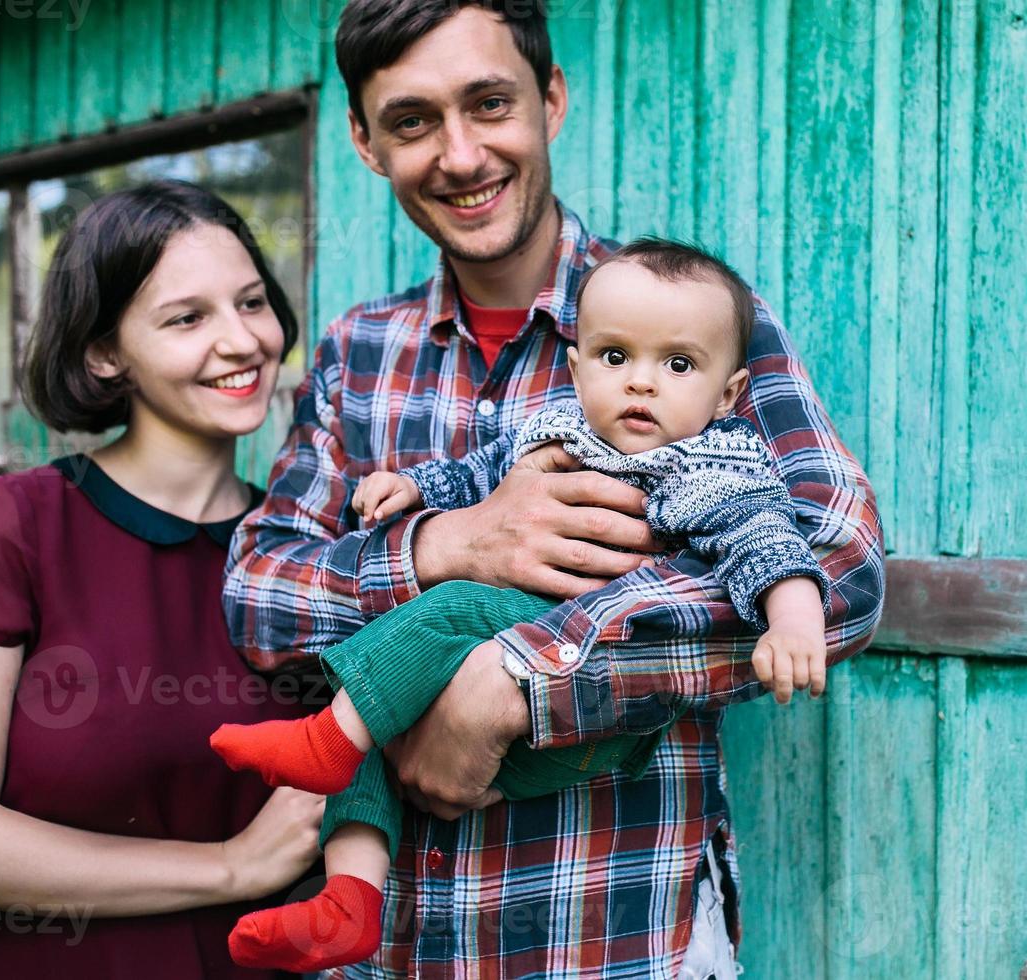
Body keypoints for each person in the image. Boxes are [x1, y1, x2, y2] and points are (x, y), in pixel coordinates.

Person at [223, 2, 886, 977]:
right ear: (364, 143)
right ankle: (347, 897)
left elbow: (839, 567)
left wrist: (519, 682)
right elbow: (259, 592)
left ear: (551, 99)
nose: (459, 154)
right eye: (411, 120)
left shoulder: (692, 321)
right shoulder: (356, 352)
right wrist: (442, 546)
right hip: (390, 956)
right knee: (351, 713)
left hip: (609, 938)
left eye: (489, 102)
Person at [210, 239, 832, 972]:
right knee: (374, 733)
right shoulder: (562, 428)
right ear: (576, 370)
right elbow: (481, 471)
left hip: (588, 742)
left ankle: (325, 740)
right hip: (478, 772)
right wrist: (421, 497)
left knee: (447, 615)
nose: (641, 385)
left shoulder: (705, 463)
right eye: (614, 359)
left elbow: (770, 538)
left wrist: (792, 617)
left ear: (728, 395)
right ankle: (351, 901)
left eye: (677, 366)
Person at [0, 181, 324, 978]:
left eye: (252, 303)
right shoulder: (17, 525)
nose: (242, 341)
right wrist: (230, 867)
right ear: (106, 353)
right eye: (188, 318)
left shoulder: (307, 552)